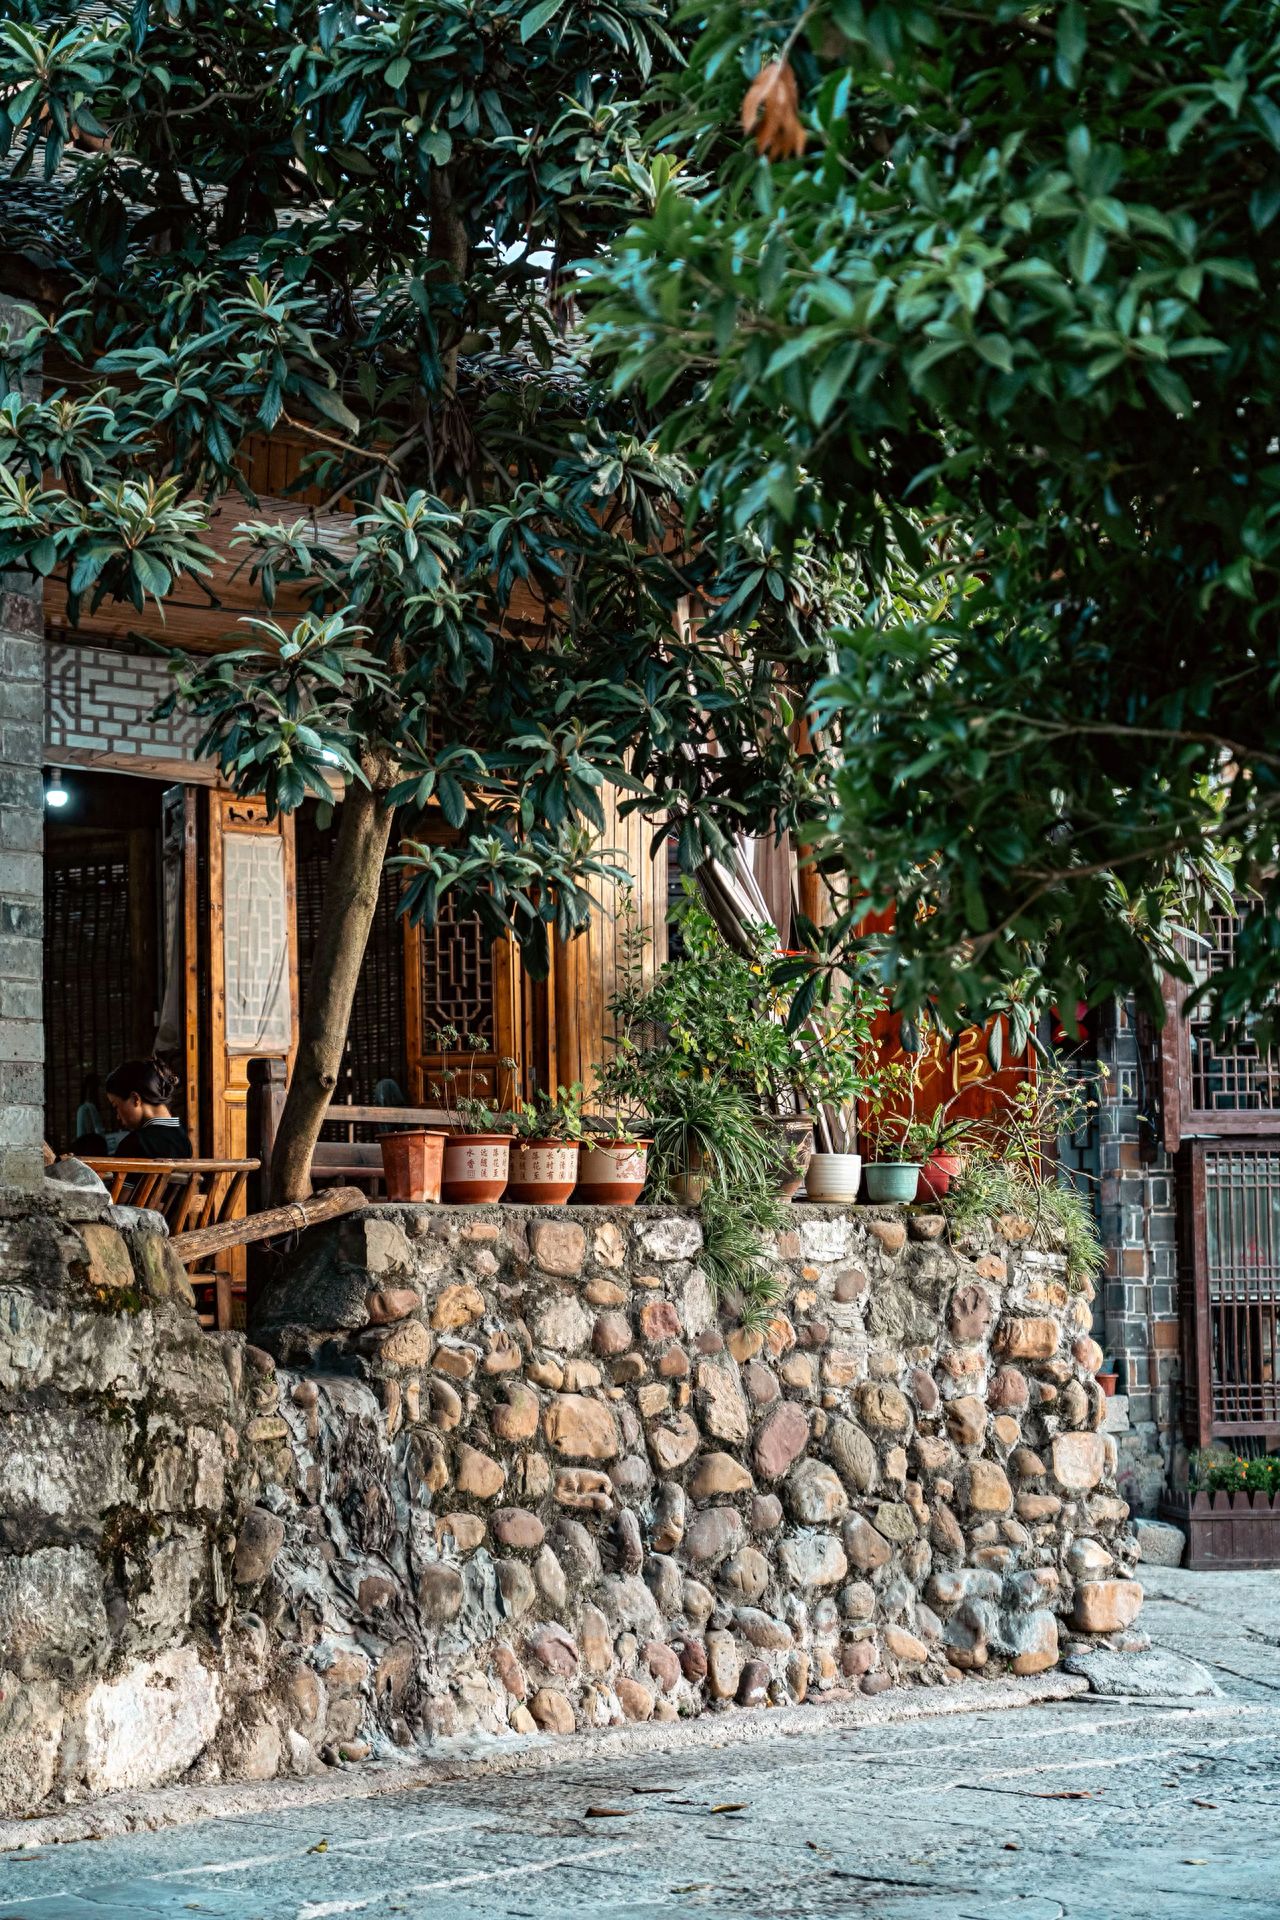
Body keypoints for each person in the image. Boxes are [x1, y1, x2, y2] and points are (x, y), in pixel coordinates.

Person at [103, 1058, 193, 1159]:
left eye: (116, 1106)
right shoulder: (184, 1141)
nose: (118, 1116)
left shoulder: (133, 1144)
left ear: (135, 1099)